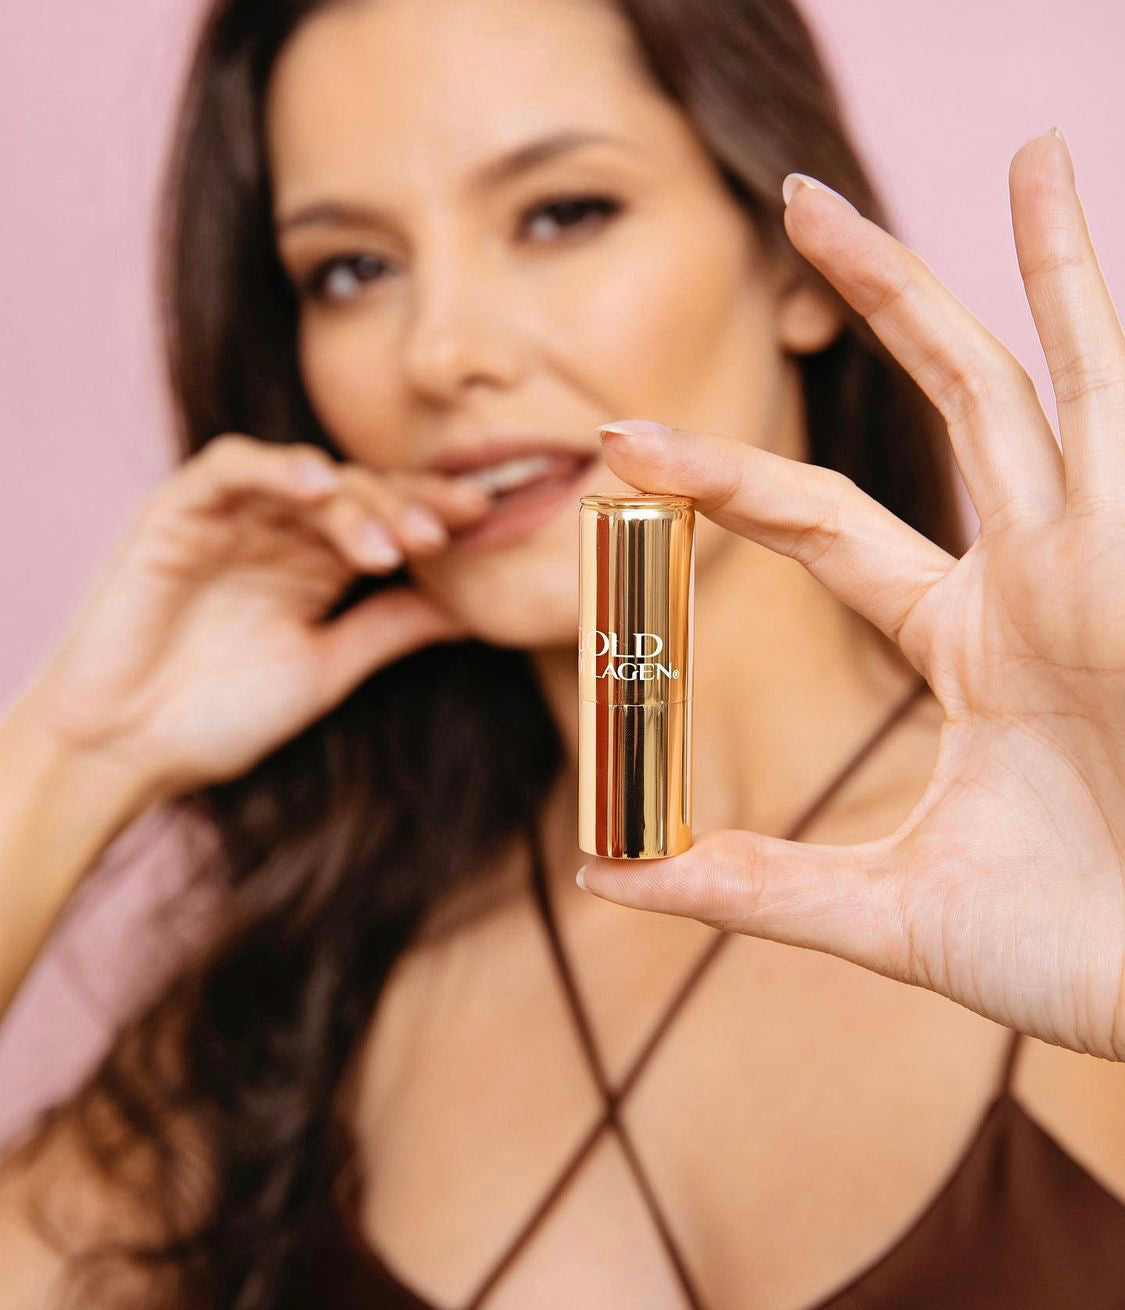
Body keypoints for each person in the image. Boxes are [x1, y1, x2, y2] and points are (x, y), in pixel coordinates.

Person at [0, 0, 1123, 1305]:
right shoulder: (290, 1017)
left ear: (792, 274)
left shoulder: (1093, 859)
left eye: (560, 212)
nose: (440, 354)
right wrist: (76, 753)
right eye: (350, 269)